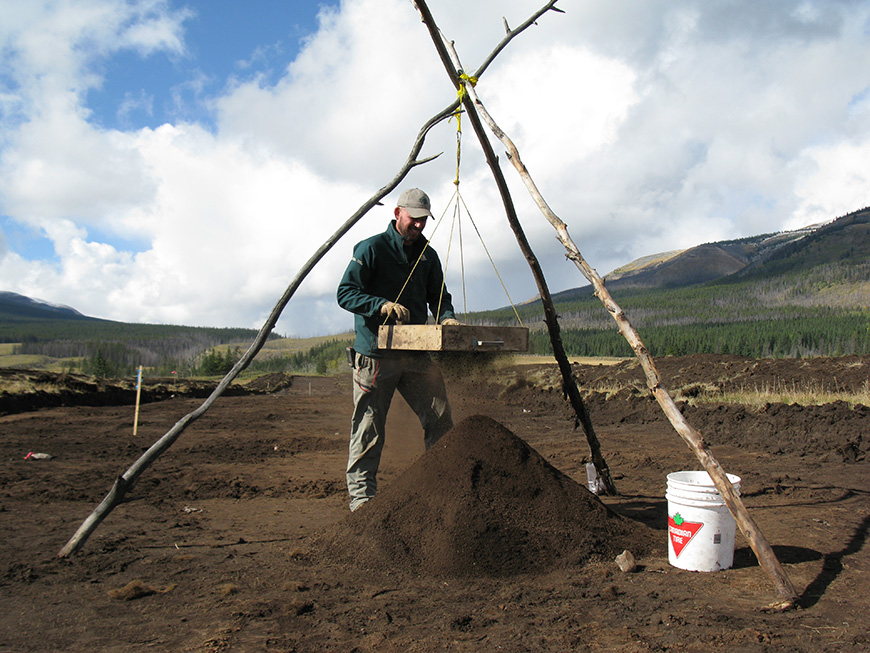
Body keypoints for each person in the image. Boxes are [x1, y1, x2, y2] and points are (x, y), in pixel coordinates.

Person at [337, 188, 460, 511]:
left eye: (424, 221)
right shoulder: (371, 249)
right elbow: (346, 293)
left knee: (439, 417)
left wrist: (447, 319)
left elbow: (440, 297)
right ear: (397, 214)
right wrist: (380, 305)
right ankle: (362, 501)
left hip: (417, 353)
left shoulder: (428, 256)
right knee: (369, 427)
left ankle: (440, 486)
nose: (419, 226)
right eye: (414, 220)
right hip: (375, 356)